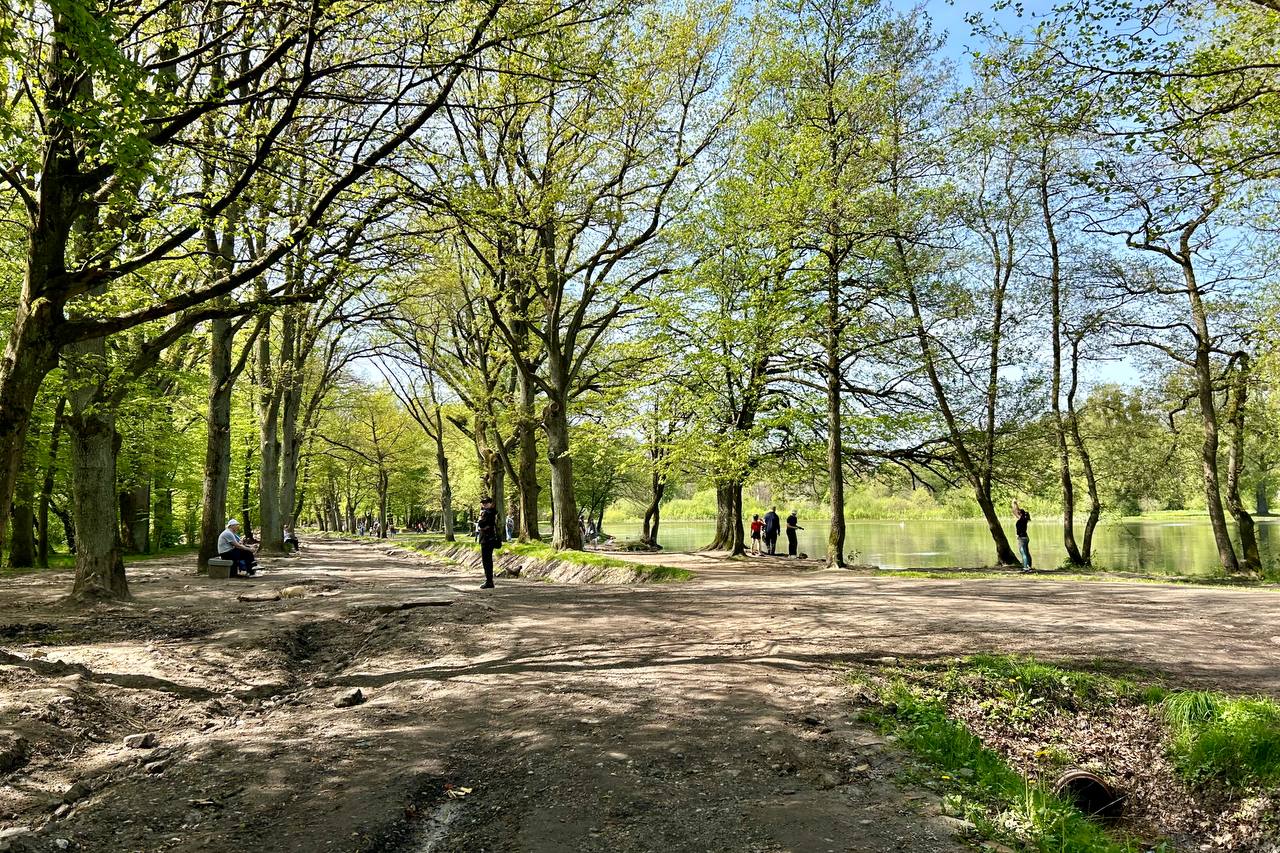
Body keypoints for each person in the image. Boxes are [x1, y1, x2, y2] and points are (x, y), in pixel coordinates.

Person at [477, 496, 500, 589]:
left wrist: (480, 517)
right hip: (488, 538)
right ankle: (489, 580)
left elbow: (481, 524)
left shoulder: (487, 513)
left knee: (486, 561)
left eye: (486, 503)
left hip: (487, 539)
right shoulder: (491, 512)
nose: (484, 504)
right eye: (483, 503)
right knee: (487, 560)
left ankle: (489, 581)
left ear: (491, 503)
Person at [1012, 500, 1033, 572]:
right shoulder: (1024, 519)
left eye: (1018, 513)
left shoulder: (1022, 519)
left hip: (1022, 538)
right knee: (1026, 553)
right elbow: (1016, 511)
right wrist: (1015, 504)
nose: (1016, 513)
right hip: (1025, 538)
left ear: (1020, 514)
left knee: (1023, 553)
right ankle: (1028, 566)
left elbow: (1015, 511)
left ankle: (1025, 568)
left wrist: (1014, 504)